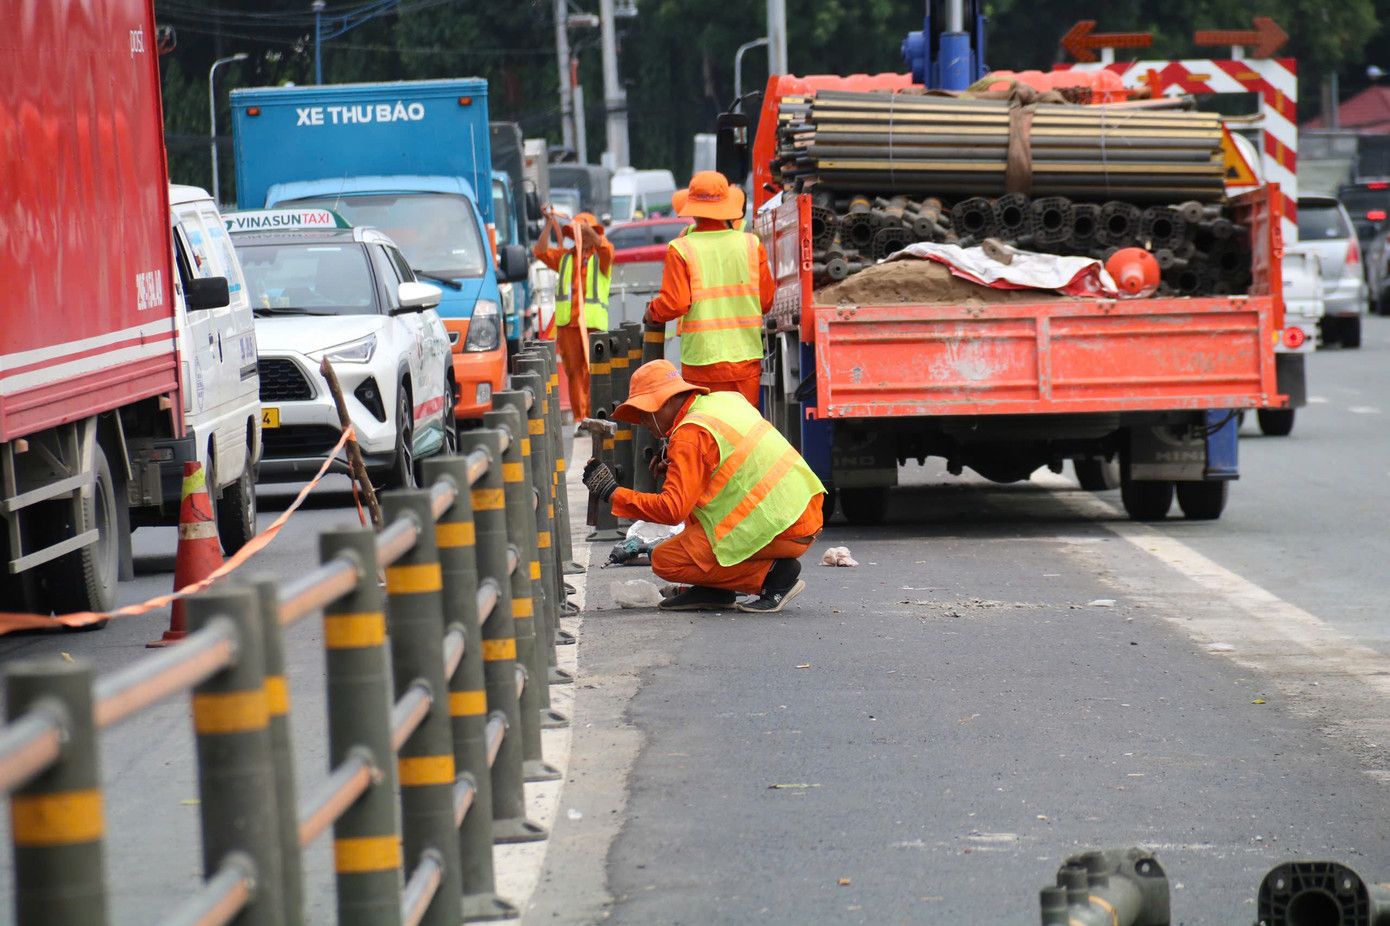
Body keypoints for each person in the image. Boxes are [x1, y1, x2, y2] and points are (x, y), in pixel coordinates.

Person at [582, 360, 826, 613]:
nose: (642, 420)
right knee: (694, 511)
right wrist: (680, 469)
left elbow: (671, 510)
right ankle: (715, 589)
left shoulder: (690, 435)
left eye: (644, 411)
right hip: (801, 511)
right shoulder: (724, 401)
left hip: (782, 526)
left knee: (666, 560)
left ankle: (773, 576)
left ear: (666, 401)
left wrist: (612, 492)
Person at [645, 171, 774, 407]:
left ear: (693, 207)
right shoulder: (751, 245)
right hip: (744, 360)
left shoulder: (681, 248)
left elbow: (674, 304)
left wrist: (652, 312)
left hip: (701, 362)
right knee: (743, 426)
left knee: (705, 424)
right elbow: (765, 302)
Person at [534, 211, 612, 420]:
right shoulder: (565, 258)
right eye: (580, 233)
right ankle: (581, 418)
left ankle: (596, 416)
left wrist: (590, 233)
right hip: (568, 326)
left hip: (593, 325)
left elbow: (607, 249)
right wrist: (549, 224)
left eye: (586, 233)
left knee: (595, 371)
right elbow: (540, 251)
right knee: (574, 373)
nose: (583, 237)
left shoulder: (601, 257)